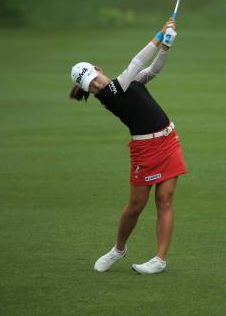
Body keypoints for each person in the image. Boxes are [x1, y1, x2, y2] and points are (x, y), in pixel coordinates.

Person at [69, 18, 187, 275]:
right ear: (87, 89)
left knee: (165, 201)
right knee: (135, 206)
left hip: (168, 140)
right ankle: (118, 249)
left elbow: (151, 70)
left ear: (98, 69)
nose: (96, 84)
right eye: (90, 85)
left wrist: (166, 46)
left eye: (95, 77)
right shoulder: (110, 93)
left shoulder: (124, 84)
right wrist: (159, 34)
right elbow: (136, 63)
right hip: (145, 151)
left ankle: (159, 260)